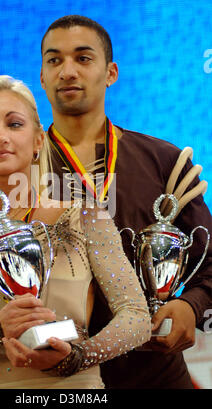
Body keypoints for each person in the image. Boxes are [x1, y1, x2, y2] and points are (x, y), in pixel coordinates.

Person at [0, 75, 151, 389]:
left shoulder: (83, 215)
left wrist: (76, 357)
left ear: (39, 141)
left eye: (14, 124)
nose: (0, 136)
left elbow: (136, 317)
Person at [40, 15, 212, 388]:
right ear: (42, 76)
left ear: (111, 72)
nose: (67, 71)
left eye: (83, 58)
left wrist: (190, 305)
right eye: (54, 60)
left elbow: (210, 260)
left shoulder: (164, 162)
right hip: (55, 377)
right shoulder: (19, 167)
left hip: (155, 373)